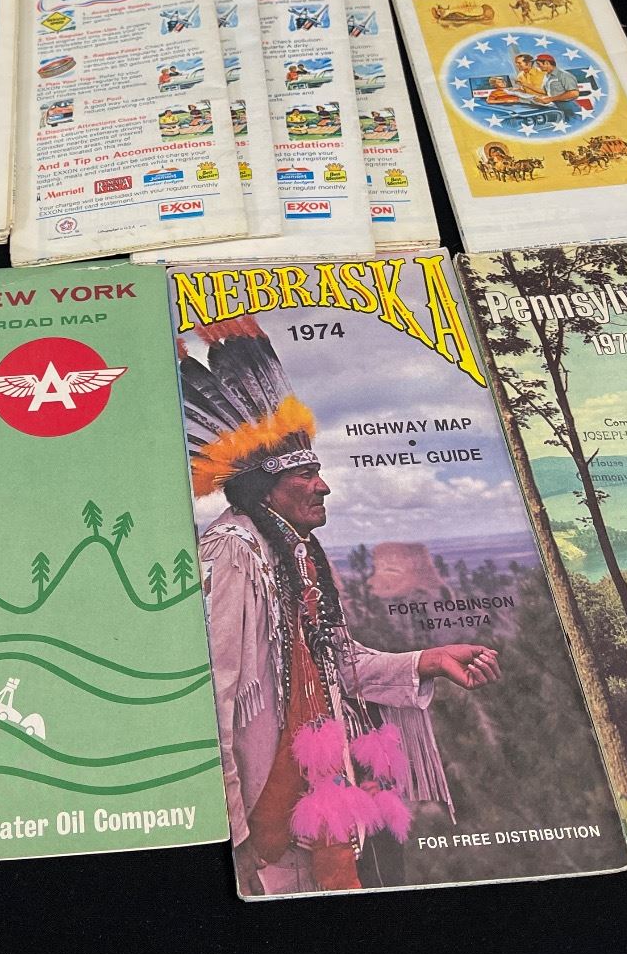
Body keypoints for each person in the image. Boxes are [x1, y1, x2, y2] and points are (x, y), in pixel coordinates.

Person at [181, 322, 499, 896]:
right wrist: (231, 829)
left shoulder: (296, 552)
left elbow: (336, 664)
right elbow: (211, 696)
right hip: (267, 805)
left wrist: (426, 660)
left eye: (319, 472)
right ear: (266, 488)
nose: (324, 486)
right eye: (307, 474)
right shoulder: (234, 553)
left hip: (320, 787)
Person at [528, 53, 581, 122]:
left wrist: (550, 99)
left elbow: (574, 93)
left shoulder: (564, 75)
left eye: (538, 64)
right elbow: (545, 92)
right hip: (556, 106)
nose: (538, 67)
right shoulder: (547, 76)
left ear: (546, 63)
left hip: (569, 107)